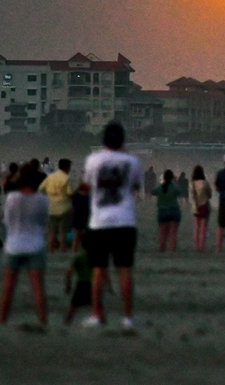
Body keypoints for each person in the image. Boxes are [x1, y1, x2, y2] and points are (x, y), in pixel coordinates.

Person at [82, 123, 142, 331]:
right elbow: (135, 186)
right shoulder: (132, 161)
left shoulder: (93, 160)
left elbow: (88, 184)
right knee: (124, 270)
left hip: (99, 221)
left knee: (98, 270)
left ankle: (96, 314)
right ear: (123, 141)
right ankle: (127, 317)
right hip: (124, 220)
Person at [0, 164, 49, 328]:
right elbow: (43, 222)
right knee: (37, 288)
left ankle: (2, 321)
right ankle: (43, 321)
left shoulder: (11, 198)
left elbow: (7, 222)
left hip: (13, 244)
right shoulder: (42, 199)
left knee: (8, 287)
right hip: (35, 244)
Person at [38, 158, 75, 253]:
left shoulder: (50, 177)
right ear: (66, 167)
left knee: (52, 232)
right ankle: (62, 249)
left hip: (52, 208)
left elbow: (41, 189)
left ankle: (50, 249)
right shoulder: (67, 178)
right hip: (64, 208)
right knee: (63, 232)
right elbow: (70, 194)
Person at [65, 239, 93, 324]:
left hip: (81, 283)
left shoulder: (78, 258)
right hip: (92, 284)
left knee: (73, 306)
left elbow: (69, 272)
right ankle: (102, 322)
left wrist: (68, 285)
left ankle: (67, 322)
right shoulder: (95, 257)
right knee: (96, 305)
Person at [154, 170, 181, 252]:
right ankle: (172, 250)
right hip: (174, 211)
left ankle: (161, 249)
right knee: (173, 233)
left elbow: (153, 191)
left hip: (163, 211)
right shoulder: (175, 187)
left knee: (162, 233)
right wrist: (175, 182)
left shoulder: (160, 187)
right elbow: (179, 192)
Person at [189, 165, 212, 252]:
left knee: (196, 228)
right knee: (203, 229)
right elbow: (209, 195)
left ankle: (196, 246)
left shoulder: (192, 183)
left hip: (196, 207)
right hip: (204, 206)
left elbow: (193, 195)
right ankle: (201, 247)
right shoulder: (205, 183)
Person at [71, 179, 90, 253]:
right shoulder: (88, 196)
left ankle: (74, 249)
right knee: (86, 234)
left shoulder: (76, 195)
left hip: (77, 216)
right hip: (86, 216)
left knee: (77, 234)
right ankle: (85, 249)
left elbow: (73, 204)